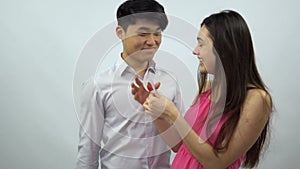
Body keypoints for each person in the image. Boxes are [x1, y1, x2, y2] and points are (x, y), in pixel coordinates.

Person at [132, 10, 273, 169]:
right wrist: (155, 111)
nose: (195, 51)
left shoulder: (257, 99)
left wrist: (173, 114)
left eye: (201, 43)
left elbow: (217, 163)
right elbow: (180, 145)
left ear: (224, 48)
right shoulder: (207, 88)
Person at [75, 0, 184, 169]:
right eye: (143, 34)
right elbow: (88, 151)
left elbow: (181, 140)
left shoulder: (170, 81)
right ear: (120, 32)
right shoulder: (97, 85)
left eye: (157, 33)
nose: (152, 41)